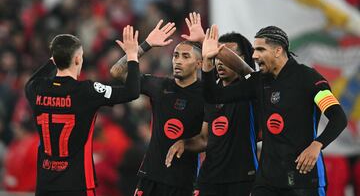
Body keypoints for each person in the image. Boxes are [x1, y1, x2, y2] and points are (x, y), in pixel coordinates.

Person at [201, 25, 348, 196]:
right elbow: (214, 96)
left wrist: (317, 145)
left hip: (303, 180)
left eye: (260, 49)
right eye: (254, 50)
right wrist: (207, 63)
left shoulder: (309, 79)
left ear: (278, 50)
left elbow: (338, 117)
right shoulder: (259, 82)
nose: (254, 56)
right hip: (267, 181)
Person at [24, 26, 141, 196]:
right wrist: (132, 55)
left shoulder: (36, 88)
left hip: (45, 185)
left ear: (54, 59)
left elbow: (32, 80)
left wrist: (56, 56)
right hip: (77, 184)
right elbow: (132, 92)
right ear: (78, 59)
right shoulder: (86, 91)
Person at [110, 15, 204, 196]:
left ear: (199, 63)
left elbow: (206, 138)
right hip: (151, 175)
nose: (178, 60)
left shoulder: (206, 93)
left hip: (184, 180)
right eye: (176, 55)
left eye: (185, 56)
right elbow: (117, 71)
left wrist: (204, 41)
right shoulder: (160, 86)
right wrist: (145, 46)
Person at [165, 32, 259, 196]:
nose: (221, 62)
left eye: (227, 56)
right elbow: (204, 139)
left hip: (243, 178)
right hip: (209, 178)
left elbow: (245, 70)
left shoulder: (253, 88)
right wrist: (184, 143)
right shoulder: (210, 93)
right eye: (217, 57)